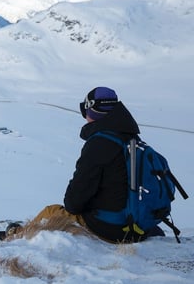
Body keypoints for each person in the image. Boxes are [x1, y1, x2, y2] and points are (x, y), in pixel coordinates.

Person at [8, 86, 160, 243]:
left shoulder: (99, 144)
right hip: (137, 226)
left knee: (51, 211)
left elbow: (73, 203)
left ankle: (17, 235)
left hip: (111, 228)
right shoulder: (131, 140)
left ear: (90, 110)